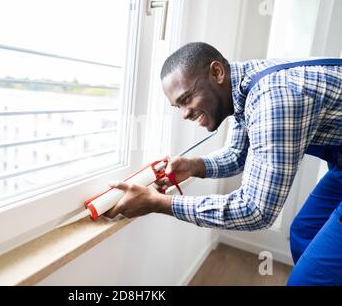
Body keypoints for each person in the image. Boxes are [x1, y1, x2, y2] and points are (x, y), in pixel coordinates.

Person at [105, 42, 342, 286]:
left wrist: (159, 203)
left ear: (217, 72)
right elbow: (239, 153)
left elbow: (256, 211)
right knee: (304, 233)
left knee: (308, 280)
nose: (184, 114)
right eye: (178, 106)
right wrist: (195, 166)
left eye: (186, 99)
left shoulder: (274, 98)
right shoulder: (244, 87)